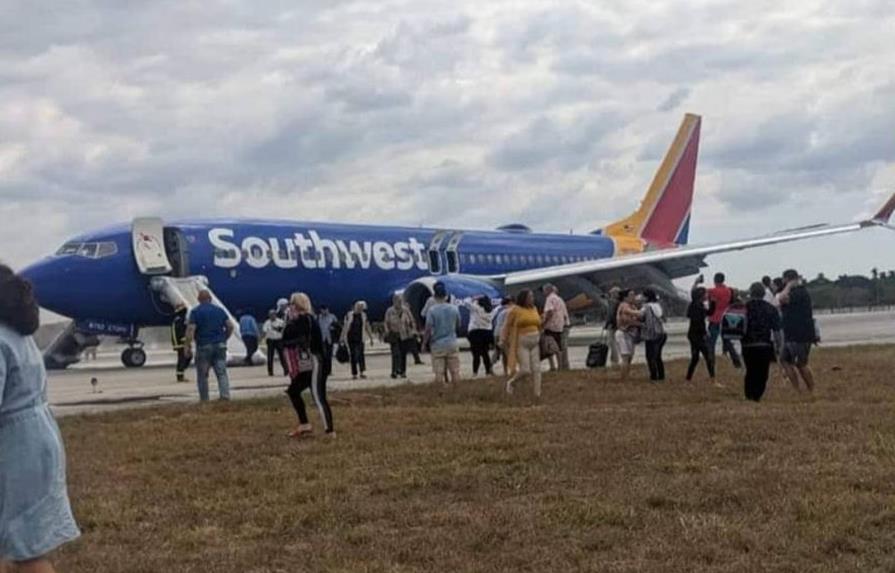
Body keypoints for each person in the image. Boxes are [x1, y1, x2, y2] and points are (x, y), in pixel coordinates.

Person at [0, 265, 80, 572]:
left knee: (26, 550)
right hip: (33, 440)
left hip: (15, 449)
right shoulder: (16, 332)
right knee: (20, 541)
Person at [281, 292, 333, 437]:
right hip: (307, 364)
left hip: (315, 361)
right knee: (293, 391)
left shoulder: (305, 319)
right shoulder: (303, 320)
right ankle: (304, 424)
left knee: (318, 396)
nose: (289, 307)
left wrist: (290, 322)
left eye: (291, 304)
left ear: (297, 305)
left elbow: (290, 338)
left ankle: (330, 431)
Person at [184, 290, 234, 401]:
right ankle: (225, 396)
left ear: (198, 299)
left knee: (202, 375)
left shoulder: (195, 312)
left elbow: (191, 329)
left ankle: (204, 399)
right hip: (220, 346)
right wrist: (224, 338)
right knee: (221, 373)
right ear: (210, 299)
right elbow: (230, 326)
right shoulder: (220, 311)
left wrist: (187, 346)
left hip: (204, 346)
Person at [742, 282, 783, 402]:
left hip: (747, 344)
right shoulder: (771, 309)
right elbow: (776, 330)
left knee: (750, 370)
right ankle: (757, 395)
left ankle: (749, 394)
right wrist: (779, 346)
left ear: (750, 292)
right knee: (762, 372)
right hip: (764, 345)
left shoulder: (744, 308)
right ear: (764, 293)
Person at [778, 269, 817, 392]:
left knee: (801, 363)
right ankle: (797, 389)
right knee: (784, 360)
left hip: (800, 334)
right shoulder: (793, 292)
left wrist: (789, 286)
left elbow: (782, 299)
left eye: (784, 280)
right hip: (790, 333)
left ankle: (811, 388)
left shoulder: (799, 292)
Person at [503, 289, 543, 397]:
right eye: (530, 297)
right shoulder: (516, 310)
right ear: (524, 298)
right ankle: (511, 382)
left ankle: (537, 394)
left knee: (537, 369)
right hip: (522, 342)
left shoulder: (534, 309)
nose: (532, 299)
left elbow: (538, 323)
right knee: (525, 370)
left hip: (534, 342)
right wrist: (503, 339)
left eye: (532, 297)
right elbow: (507, 325)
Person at [424, 282, 462, 385]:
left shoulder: (431, 311)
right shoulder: (454, 309)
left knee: (439, 372)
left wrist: (424, 343)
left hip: (437, 344)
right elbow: (459, 324)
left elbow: (428, 328)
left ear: (435, 297)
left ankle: (440, 394)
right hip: (452, 343)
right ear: (446, 296)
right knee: (455, 371)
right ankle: (458, 392)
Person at [707, 272, 742, 368]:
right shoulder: (728, 291)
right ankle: (736, 361)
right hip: (725, 318)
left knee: (711, 343)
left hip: (714, 318)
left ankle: (711, 363)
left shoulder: (712, 291)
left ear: (715, 280)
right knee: (727, 341)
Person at [685, 286, 717, 384]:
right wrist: (704, 333)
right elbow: (699, 321)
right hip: (696, 335)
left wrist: (713, 303)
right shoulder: (697, 306)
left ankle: (688, 379)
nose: (707, 295)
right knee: (707, 357)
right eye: (705, 294)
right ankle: (712, 379)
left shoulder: (697, 305)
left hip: (695, 335)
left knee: (696, 358)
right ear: (701, 295)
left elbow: (709, 312)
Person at [384, 295, 416, 379]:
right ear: (394, 302)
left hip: (404, 334)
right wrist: (387, 330)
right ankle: (394, 371)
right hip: (394, 334)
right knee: (395, 353)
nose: (399, 303)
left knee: (403, 353)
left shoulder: (406, 310)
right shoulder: (389, 311)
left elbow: (412, 320)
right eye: (398, 301)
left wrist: (413, 330)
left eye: (400, 301)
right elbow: (386, 322)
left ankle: (402, 371)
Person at [341, 301, 374, 380]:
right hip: (351, 338)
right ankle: (354, 373)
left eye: (362, 308)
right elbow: (345, 327)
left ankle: (362, 372)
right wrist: (342, 337)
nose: (361, 309)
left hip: (360, 338)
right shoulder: (349, 315)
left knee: (361, 355)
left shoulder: (363, 315)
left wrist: (371, 337)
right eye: (359, 308)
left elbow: (367, 326)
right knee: (353, 356)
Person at [464, 295, 495, 377]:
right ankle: (488, 371)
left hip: (475, 332)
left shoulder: (476, 308)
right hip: (487, 332)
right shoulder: (490, 311)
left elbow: (466, 302)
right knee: (485, 353)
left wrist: (474, 297)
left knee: (476, 354)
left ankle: (475, 372)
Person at [542, 284, 570, 371]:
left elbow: (549, 312)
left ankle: (554, 366)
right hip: (561, 326)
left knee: (549, 346)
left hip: (552, 327)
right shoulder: (560, 299)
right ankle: (563, 366)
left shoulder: (549, 299)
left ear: (547, 290)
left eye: (544, 291)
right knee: (561, 347)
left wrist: (543, 323)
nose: (543, 293)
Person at [640, 288, 667, 382]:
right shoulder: (657, 305)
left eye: (643, 296)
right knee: (658, 356)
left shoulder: (646, 306)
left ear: (646, 297)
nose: (641, 297)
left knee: (650, 356)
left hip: (652, 334)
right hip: (662, 333)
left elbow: (639, 315)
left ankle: (653, 376)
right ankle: (661, 375)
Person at [615, 289, 641, 381]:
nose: (633, 297)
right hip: (623, 334)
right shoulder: (624, 305)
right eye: (631, 295)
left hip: (631, 334)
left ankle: (627, 375)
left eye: (634, 295)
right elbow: (629, 318)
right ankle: (624, 378)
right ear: (625, 297)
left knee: (630, 357)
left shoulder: (633, 306)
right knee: (625, 356)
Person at [492, 297, 513, 375]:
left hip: (496, 332)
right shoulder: (509, 310)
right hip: (503, 333)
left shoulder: (498, 309)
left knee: (498, 352)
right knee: (507, 352)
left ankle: (505, 371)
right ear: (510, 302)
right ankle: (512, 369)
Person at [170, 302, 191, 382]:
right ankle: (180, 376)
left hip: (180, 342)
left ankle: (181, 372)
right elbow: (180, 332)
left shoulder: (179, 319)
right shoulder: (179, 320)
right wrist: (185, 341)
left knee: (186, 357)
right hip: (180, 343)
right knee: (182, 358)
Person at [262, 309, 286, 377]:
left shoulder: (280, 322)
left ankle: (286, 370)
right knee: (270, 357)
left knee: (282, 356)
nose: (272, 316)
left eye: (273, 315)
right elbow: (264, 331)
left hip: (279, 340)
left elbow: (283, 330)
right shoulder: (267, 322)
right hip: (270, 341)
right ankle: (270, 372)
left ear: (275, 315)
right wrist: (262, 338)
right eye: (270, 315)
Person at [316, 305, 338, 378]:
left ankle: (329, 370)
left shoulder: (332, 317)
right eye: (323, 310)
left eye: (325, 310)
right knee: (323, 356)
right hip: (321, 339)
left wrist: (333, 328)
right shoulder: (319, 317)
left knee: (329, 355)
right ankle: (323, 370)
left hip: (329, 339)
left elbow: (337, 326)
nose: (324, 311)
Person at [604, 286, 621, 366]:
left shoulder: (613, 303)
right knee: (613, 342)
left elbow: (610, 315)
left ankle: (615, 359)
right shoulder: (618, 302)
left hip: (612, 325)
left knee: (611, 342)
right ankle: (614, 358)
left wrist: (608, 323)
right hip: (616, 324)